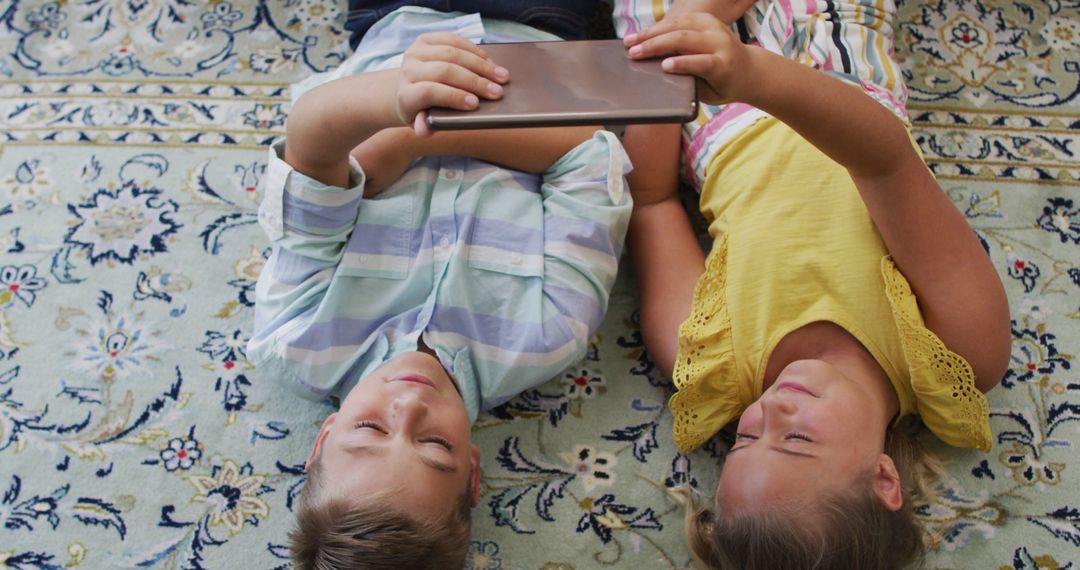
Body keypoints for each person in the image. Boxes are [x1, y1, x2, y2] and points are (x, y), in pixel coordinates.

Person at [614, 3, 1011, 568]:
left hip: (713, 123)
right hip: (844, 76)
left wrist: (673, 46)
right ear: (882, 479)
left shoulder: (708, 364)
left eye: (745, 442)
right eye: (796, 442)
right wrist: (751, 73)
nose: (769, 415)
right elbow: (885, 163)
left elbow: (650, 203)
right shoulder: (959, 355)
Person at [247, 7, 632, 569]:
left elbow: (311, 134)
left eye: (370, 427)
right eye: (435, 447)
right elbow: (591, 156)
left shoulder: (297, 336)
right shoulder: (547, 334)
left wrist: (398, 98)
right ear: (473, 471)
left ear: (322, 439)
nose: (409, 404)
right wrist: (411, 144)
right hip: (543, 36)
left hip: (397, 24)